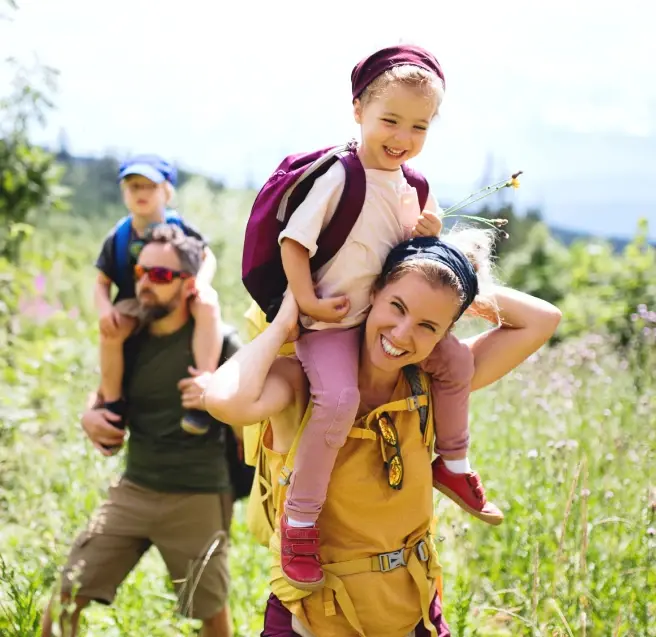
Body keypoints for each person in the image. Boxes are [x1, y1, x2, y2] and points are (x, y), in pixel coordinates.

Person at [202, 231, 561, 636]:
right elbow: (222, 400)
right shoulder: (303, 384)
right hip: (312, 620)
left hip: (413, 613)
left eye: (428, 325)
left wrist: (448, 279)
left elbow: (542, 319)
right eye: (397, 305)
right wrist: (285, 320)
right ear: (371, 293)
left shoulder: (432, 384)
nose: (403, 334)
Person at [273, 44, 500, 590]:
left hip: (378, 318)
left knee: (454, 363)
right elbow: (294, 242)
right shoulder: (340, 176)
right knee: (339, 399)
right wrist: (305, 302)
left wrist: (425, 232)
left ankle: (453, 461)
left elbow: (405, 260)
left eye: (418, 127)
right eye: (390, 120)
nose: (402, 137)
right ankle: (299, 521)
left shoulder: (411, 186)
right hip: (330, 322)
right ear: (358, 111)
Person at [42, 224, 233, 637]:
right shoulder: (128, 336)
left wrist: (217, 391)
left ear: (189, 285)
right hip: (135, 488)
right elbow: (104, 396)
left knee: (211, 614)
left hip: (197, 494)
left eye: (161, 275)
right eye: (141, 271)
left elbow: (255, 409)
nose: (145, 283)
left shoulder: (220, 341)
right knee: (63, 600)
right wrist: (88, 415)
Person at [94, 154, 222, 436]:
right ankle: (113, 403)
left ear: (166, 191)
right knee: (111, 332)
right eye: (133, 186)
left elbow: (207, 256)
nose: (141, 193)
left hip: (178, 294)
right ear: (123, 192)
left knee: (208, 305)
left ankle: (201, 390)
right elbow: (101, 282)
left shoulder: (181, 228)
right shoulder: (118, 236)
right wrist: (105, 310)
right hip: (134, 299)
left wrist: (201, 282)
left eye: (149, 186)